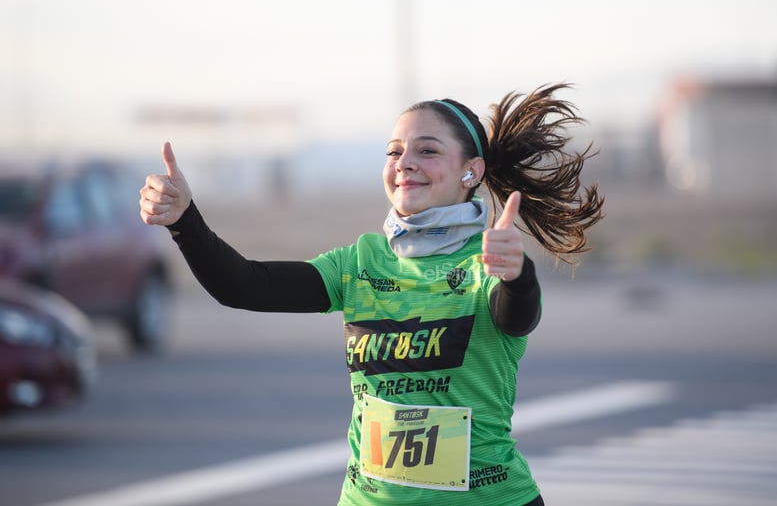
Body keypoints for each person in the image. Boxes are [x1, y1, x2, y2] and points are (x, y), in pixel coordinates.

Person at [139, 82, 604, 506]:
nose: (405, 163)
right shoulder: (359, 262)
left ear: (471, 170)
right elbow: (244, 285)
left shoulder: (486, 264)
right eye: (394, 151)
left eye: (427, 150)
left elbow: (518, 315)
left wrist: (516, 273)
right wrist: (184, 220)